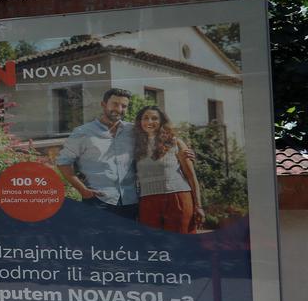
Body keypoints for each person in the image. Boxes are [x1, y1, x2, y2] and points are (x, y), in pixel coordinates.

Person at [56, 88, 140, 219]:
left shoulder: (133, 130)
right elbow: (63, 163)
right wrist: (83, 190)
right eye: (115, 104)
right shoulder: (82, 132)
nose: (119, 109)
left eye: (124, 106)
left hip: (130, 201)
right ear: (103, 104)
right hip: (98, 201)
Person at [132, 105, 205, 233]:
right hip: (148, 201)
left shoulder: (175, 142)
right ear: (140, 121)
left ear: (161, 121)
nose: (149, 121)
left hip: (177, 197)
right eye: (145, 118)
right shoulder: (134, 145)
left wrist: (199, 206)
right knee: (153, 243)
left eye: (154, 118)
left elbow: (191, 177)